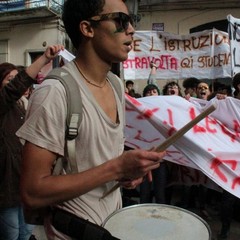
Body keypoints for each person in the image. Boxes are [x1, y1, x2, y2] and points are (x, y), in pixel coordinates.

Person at [16, 1, 165, 239]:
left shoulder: (115, 85)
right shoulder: (55, 92)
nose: (131, 30)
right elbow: (32, 192)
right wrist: (116, 167)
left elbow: (100, 164)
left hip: (108, 229)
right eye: (120, 20)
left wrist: (127, 173)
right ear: (87, 29)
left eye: (131, 21)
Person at [0, 44, 64, 240]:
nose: (15, 84)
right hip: (6, 188)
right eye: (9, 80)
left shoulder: (23, 106)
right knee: (12, 235)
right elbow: (15, 88)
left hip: (24, 185)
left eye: (15, 79)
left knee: (26, 234)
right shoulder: (2, 105)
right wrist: (44, 58)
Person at [139, 83, 169, 204]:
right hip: (143, 160)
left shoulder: (165, 113)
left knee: (160, 193)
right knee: (144, 193)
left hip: (160, 162)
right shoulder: (138, 114)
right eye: (148, 92)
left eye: (154, 92)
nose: (151, 94)